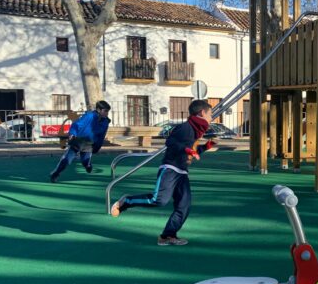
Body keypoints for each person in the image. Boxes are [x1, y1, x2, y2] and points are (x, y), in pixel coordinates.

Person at [110, 100, 216, 246]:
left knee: (184, 206)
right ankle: (127, 202)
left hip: (182, 172)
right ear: (202, 113)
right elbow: (171, 143)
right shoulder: (185, 127)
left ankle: (167, 236)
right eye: (210, 114)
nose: (212, 118)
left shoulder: (195, 131)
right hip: (170, 168)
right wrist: (188, 150)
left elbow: (189, 152)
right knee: (159, 200)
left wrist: (205, 147)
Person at [49, 101, 111, 182]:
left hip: (89, 143)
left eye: (107, 111)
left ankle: (88, 166)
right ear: (98, 110)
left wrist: (97, 146)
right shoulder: (89, 116)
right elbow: (77, 124)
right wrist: (72, 133)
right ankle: (56, 173)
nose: (107, 113)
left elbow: (102, 135)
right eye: (105, 111)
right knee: (67, 159)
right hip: (78, 140)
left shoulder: (105, 122)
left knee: (85, 161)